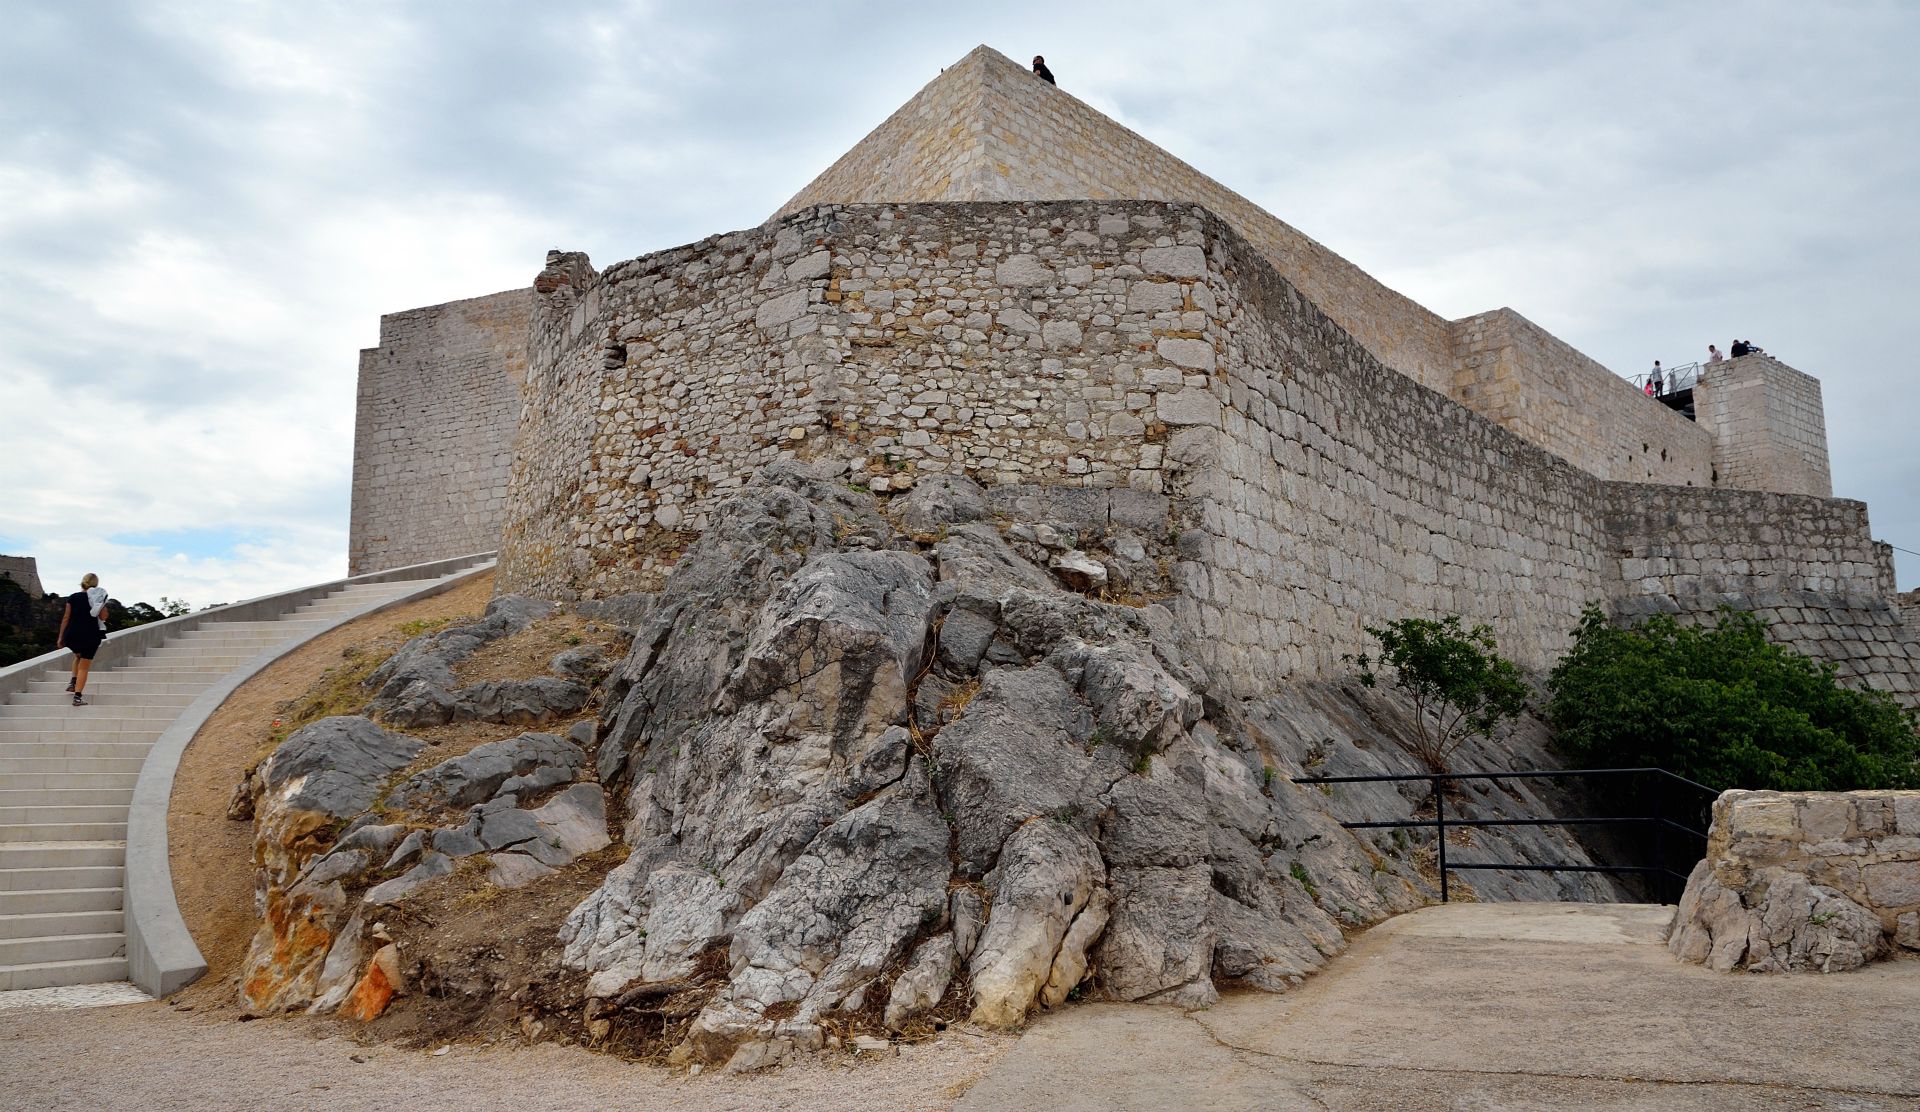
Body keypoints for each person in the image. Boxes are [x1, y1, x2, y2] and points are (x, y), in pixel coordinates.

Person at [55, 572, 108, 706]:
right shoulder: (98, 598)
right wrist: (102, 604)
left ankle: (73, 681)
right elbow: (103, 617)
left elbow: (66, 618)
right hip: (91, 636)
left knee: (78, 656)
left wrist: (61, 637)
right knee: (84, 666)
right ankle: (77, 697)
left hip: (73, 635)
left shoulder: (73, 597)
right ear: (96, 584)